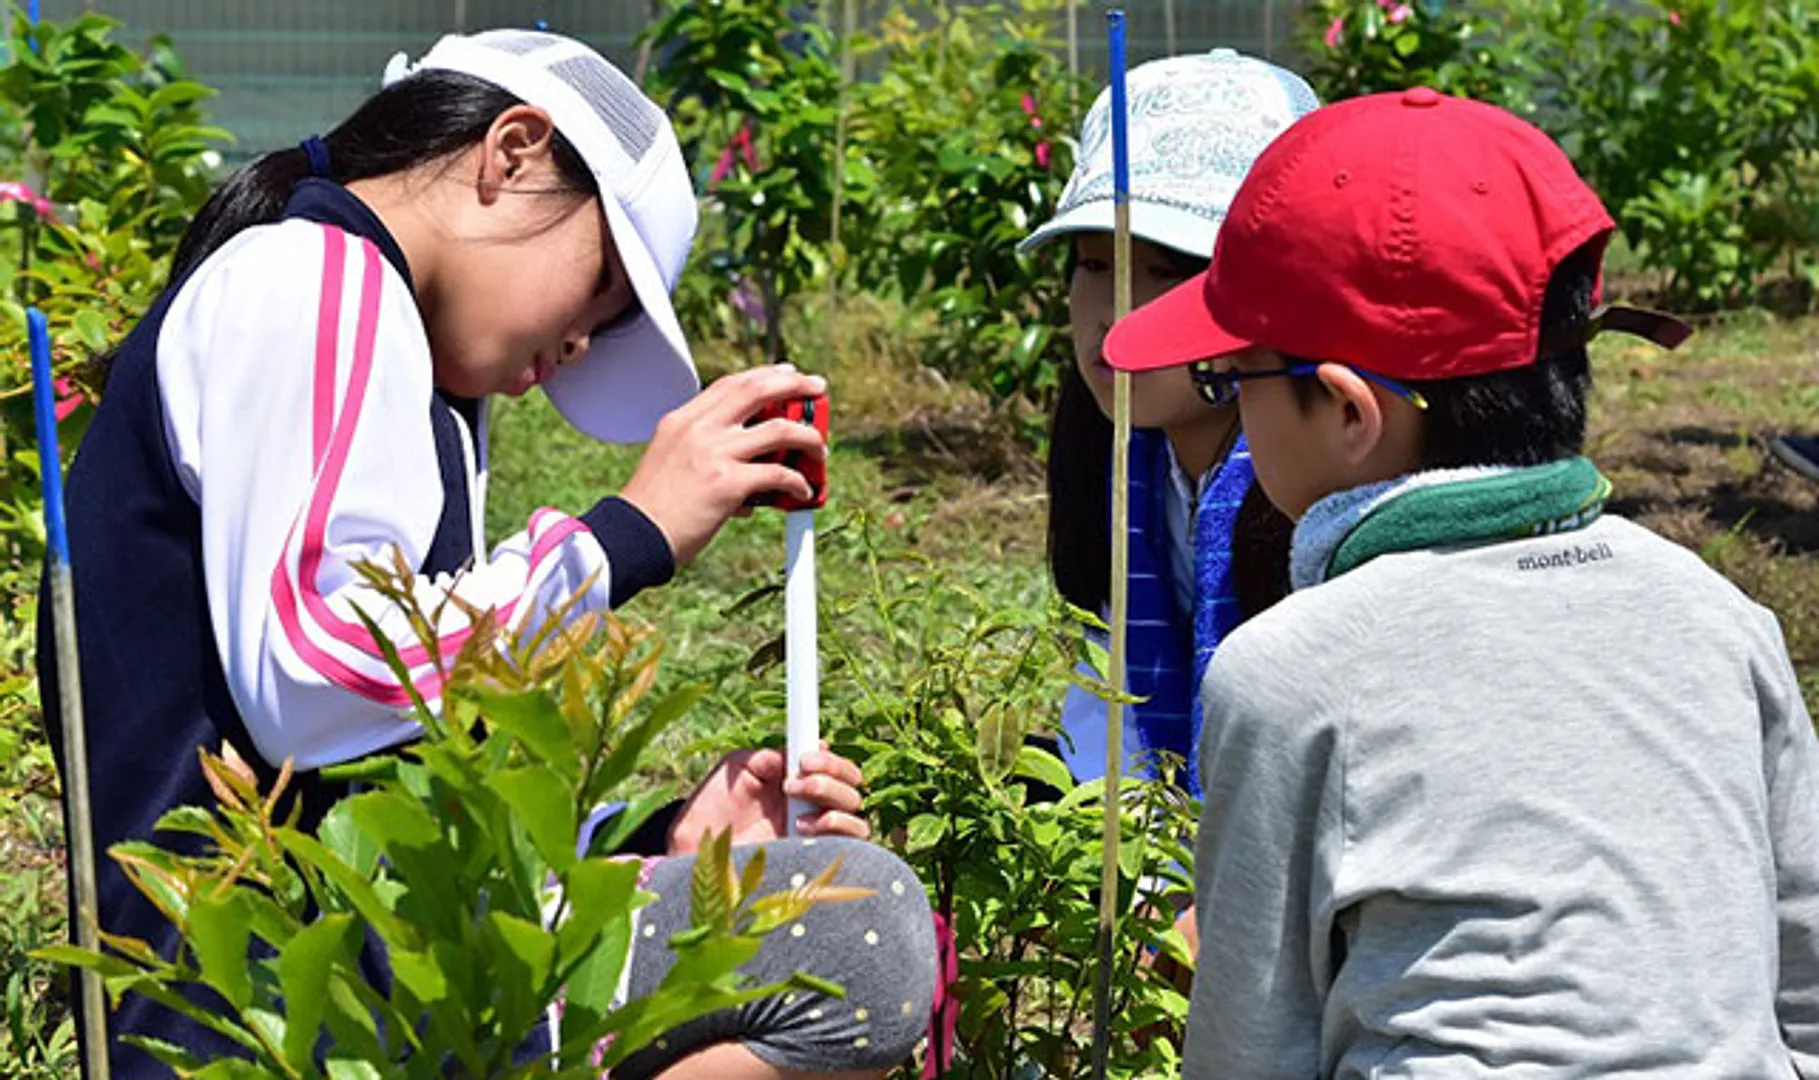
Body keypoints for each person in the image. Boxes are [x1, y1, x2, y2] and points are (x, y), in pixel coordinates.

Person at [40, 30, 931, 1080]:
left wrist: (642, 836)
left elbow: (389, 764)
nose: (562, 360)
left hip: (340, 966)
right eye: (597, 298)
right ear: (509, 153)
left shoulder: (373, 324)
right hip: (279, 1001)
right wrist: (620, 540)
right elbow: (314, 680)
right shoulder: (317, 278)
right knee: (859, 933)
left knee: (844, 915)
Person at [1105, 87, 1819, 1078]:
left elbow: (1246, 1054)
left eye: (1234, 379)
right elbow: (1806, 988)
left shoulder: (1293, 675)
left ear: (1350, 413)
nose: (1232, 407)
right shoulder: (1719, 617)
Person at [1021, 47, 1314, 800]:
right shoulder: (1124, 468)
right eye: (1093, 266)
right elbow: (1102, 718)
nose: (1115, 313)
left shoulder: (1316, 483)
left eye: (1168, 272)